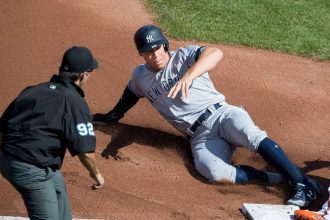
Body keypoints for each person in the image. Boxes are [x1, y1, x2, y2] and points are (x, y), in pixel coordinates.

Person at [93, 25, 321, 208]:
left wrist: (189, 76)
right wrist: (113, 116)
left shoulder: (183, 56)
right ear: (141, 54)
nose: (155, 55)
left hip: (222, 114)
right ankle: (275, 178)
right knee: (213, 172)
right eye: (148, 52)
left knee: (252, 135)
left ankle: (303, 184)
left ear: (165, 45)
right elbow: (130, 94)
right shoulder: (140, 76)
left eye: (158, 49)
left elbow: (216, 53)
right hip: (199, 136)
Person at [0, 46, 104, 220]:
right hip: (31, 170)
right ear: (83, 75)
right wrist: (96, 174)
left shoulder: (32, 90)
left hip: (10, 158)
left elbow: (2, 128)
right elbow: (85, 152)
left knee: (58, 190)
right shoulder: (74, 101)